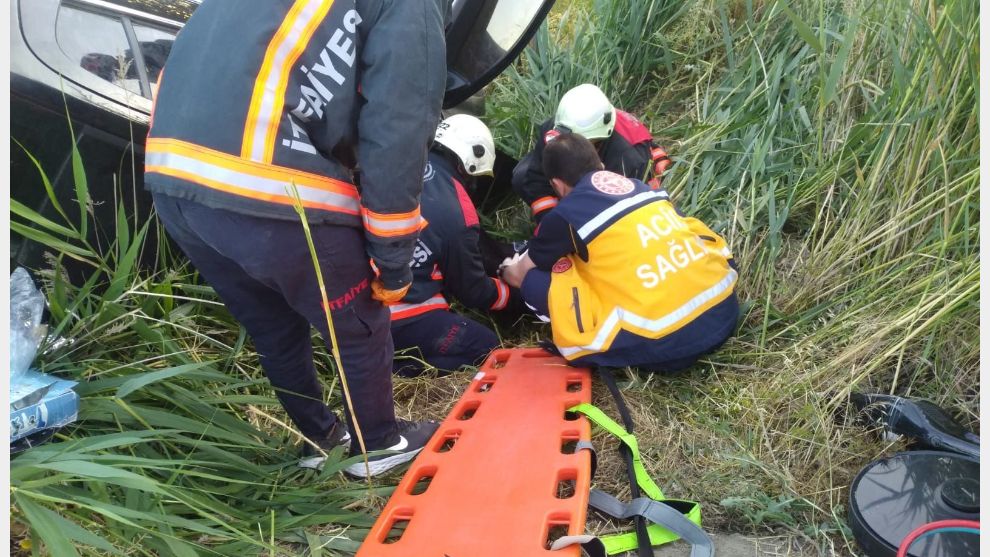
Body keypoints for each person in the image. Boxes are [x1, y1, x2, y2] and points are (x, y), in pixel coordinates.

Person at [143, 0, 449, 477]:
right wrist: (392, 262)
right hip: (259, 177)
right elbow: (399, 126)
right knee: (360, 321)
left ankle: (320, 439)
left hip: (172, 179)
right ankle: (379, 446)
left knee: (273, 326)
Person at [500, 133, 739, 372]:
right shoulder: (644, 189)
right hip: (723, 312)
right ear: (600, 166)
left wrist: (507, 268)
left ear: (557, 184)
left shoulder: (566, 215)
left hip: (668, 345)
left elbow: (520, 275)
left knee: (535, 280)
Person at [389, 115, 515, 376]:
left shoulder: (400, 163)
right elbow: (473, 291)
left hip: (353, 306)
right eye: (476, 178)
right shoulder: (458, 212)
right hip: (398, 314)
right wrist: (512, 293)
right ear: (465, 165)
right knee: (486, 347)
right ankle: (393, 370)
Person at [512, 83, 672, 223]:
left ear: (599, 139)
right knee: (522, 175)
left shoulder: (627, 159)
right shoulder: (558, 127)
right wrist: (550, 223)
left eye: (579, 143)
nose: (568, 146)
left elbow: (618, 211)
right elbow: (535, 178)